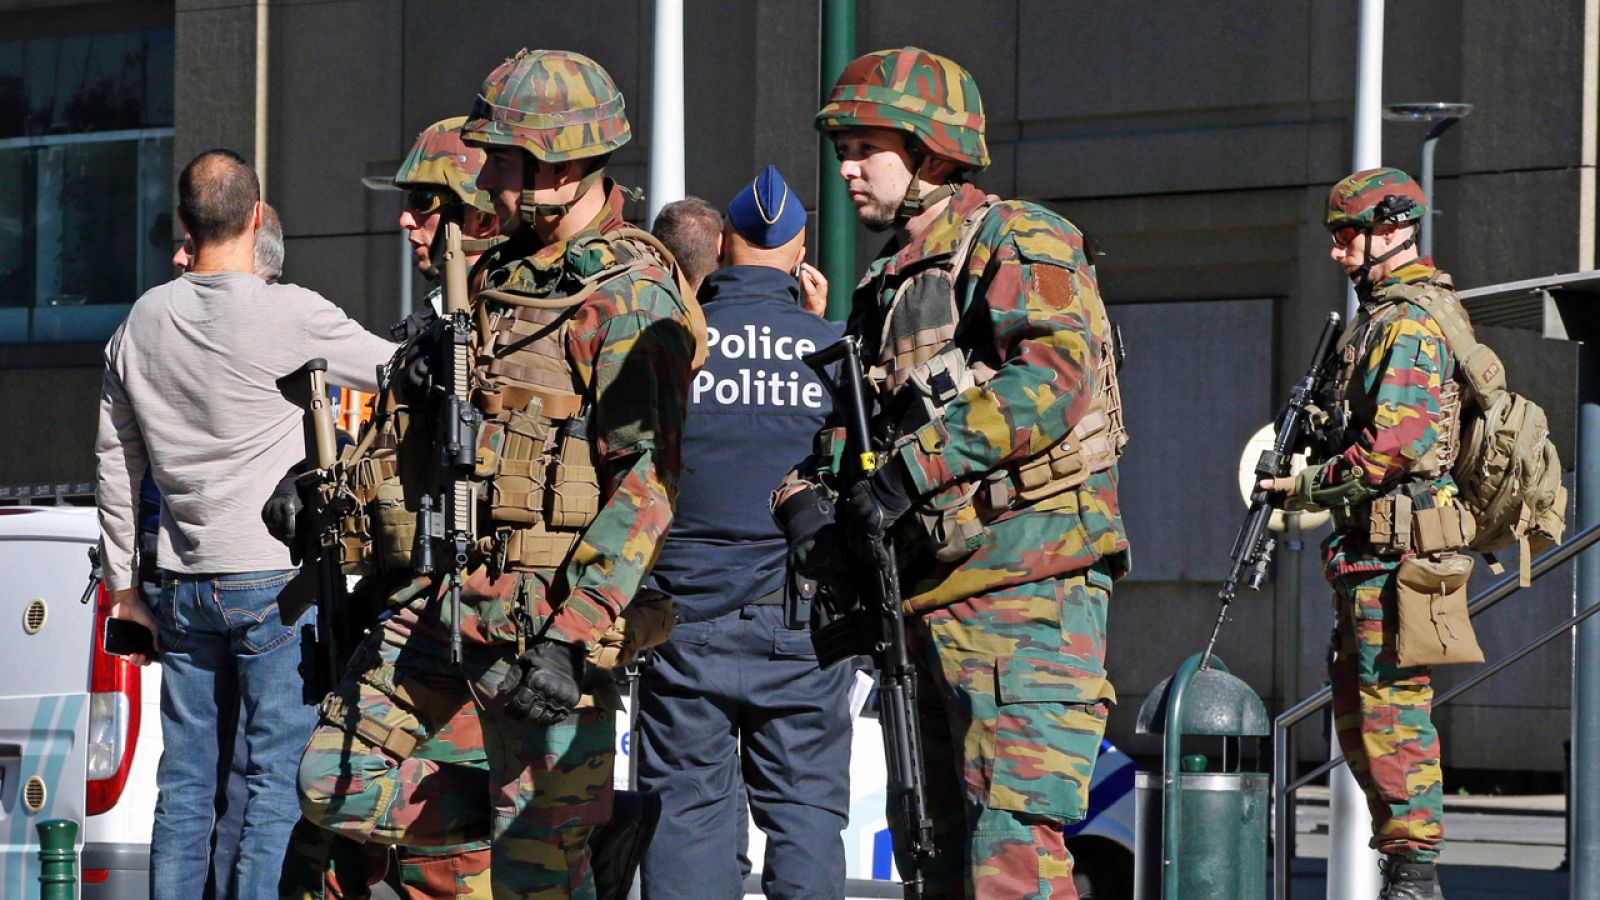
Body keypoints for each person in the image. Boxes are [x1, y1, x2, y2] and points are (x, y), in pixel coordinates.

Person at [295, 49, 697, 898]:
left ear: (558, 165)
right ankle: (574, 825)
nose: (489, 177)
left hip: (548, 627)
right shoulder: (505, 277)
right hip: (448, 600)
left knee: (533, 880)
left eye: (504, 160)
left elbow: (646, 486)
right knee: (333, 782)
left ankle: (564, 831)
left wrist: (571, 635)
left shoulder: (629, 293)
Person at [774, 47, 1130, 899]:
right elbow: (858, 429)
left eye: (866, 148)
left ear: (930, 151)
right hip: (927, 595)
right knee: (932, 854)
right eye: (843, 150)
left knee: (1011, 854)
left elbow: (1053, 376)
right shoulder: (886, 283)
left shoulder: (1018, 236)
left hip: (1025, 590)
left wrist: (905, 474)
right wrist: (814, 501)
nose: (848, 169)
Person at [95, 149, 394, 900]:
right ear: (256, 218)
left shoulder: (141, 322)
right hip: (272, 583)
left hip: (182, 583)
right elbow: (399, 368)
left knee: (186, 784)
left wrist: (125, 590)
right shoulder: (290, 313)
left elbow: (114, 468)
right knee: (271, 781)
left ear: (183, 227)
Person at [276, 118, 502, 899]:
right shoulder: (429, 334)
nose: (406, 220)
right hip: (391, 622)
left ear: (478, 214)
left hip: (467, 633)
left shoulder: (502, 332)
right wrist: (317, 491)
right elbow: (386, 465)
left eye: (424, 205)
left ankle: (540, 812)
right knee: (319, 853)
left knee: (440, 870)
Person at [635, 168, 849, 900]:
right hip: (802, 622)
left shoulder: (670, 347)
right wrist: (818, 326)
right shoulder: (831, 349)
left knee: (685, 816)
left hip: (682, 619)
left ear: (723, 246)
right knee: (806, 815)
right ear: (799, 254)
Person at [1263, 167, 1461, 900]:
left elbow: (1394, 448)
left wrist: (1305, 485)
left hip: (1398, 552)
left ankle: (1414, 878)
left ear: (1393, 229)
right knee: (1360, 713)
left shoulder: (1408, 322)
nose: (1338, 252)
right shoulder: (1376, 319)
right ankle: (1401, 868)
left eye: (1348, 236)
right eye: (1335, 236)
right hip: (1368, 552)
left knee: (1391, 710)